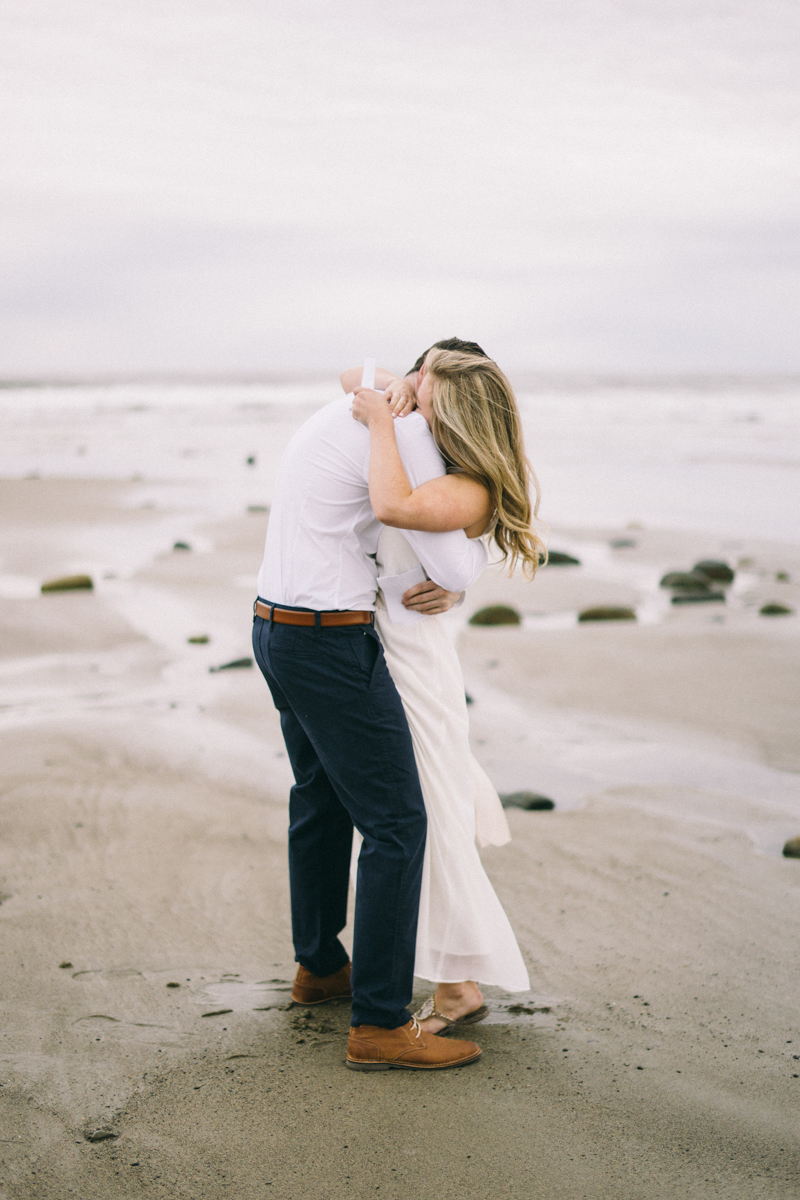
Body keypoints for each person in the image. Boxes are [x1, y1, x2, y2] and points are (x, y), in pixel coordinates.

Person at [251, 354, 491, 1071]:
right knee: (396, 823)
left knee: (319, 799)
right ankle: (380, 1024)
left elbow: (356, 366)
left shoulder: (359, 404)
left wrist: (382, 386)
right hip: (326, 638)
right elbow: (447, 565)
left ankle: (319, 967)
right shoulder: (408, 435)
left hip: (273, 625)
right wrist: (462, 577)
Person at [350, 346, 546, 1033]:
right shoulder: (434, 457)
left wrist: (381, 421)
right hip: (398, 654)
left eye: (426, 387)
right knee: (423, 812)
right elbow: (355, 378)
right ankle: (445, 974)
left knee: (427, 815)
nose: (412, 392)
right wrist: (398, 389)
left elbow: (395, 508)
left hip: (412, 665)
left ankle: (459, 985)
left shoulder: (458, 486)